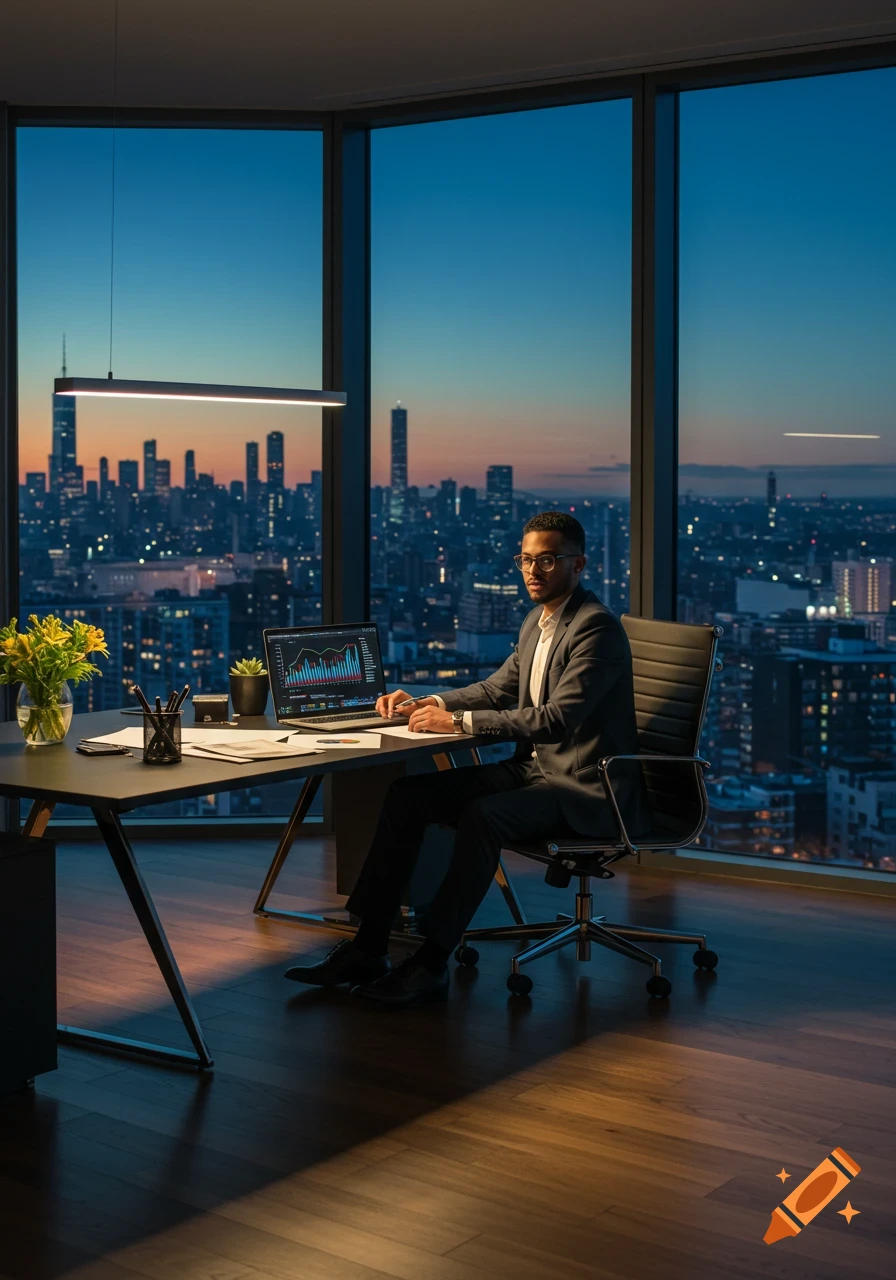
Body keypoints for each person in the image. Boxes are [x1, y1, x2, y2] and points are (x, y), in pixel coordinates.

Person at [284, 510, 649, 1009]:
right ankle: (368, 946)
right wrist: (432, 704)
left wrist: (457, 726)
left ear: (579, 563)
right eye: (525, 559)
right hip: (535, 770)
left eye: (547, 560)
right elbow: (499, 688)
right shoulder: (538, 622)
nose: (532, 571)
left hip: (581, 786)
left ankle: (431, 962)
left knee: (484, 816)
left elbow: (556, 720)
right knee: (407, 796)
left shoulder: (596, 629)